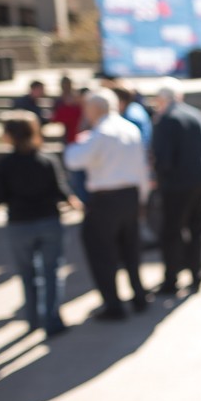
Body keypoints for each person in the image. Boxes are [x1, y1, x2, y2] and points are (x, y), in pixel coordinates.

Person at [0, 110, 80, 337]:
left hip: (20, 225)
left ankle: (33, 320)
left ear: (10, 135)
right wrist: (73, 202)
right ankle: (52, 320)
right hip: (49, 222)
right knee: (51, 273)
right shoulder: (47, 160)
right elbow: (62, 191)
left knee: (27, 274)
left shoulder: (6, 164)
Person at [64, 90, 150, 320]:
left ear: (92, 110)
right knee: (130, 249)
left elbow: (73, 160)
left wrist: (79, 139)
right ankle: (138, 295)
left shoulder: (100, 133)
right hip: (130, 196)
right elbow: (141, 169)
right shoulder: (130, 128)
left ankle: (113, 305)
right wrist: (142, 198)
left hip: (106, 200)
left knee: (102, 253)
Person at [151, 85, 201, 295]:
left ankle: (171, 280)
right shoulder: (195, 114)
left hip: (178, 184)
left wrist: (158, 176)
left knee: (172, 232)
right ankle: (196, 274)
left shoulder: (167, 119)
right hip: (200, 179)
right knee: (195, 228)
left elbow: (163, 159)